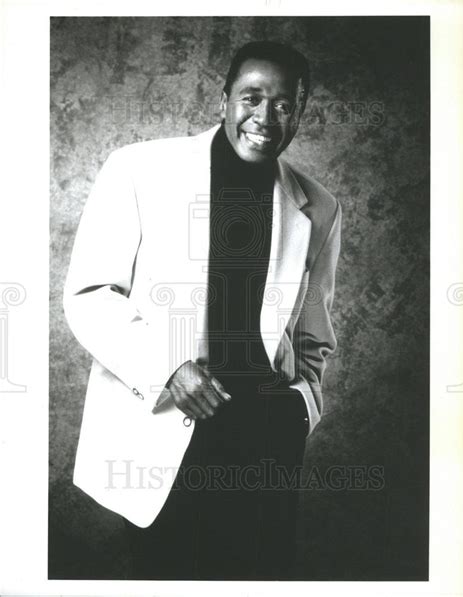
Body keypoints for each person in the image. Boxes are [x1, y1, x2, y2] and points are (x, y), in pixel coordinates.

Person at [63, 40, 342, 580]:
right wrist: (167, 367)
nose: (266, 117)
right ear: (223, 101)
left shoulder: (320, 207)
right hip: (170, 425)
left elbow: (315, 331)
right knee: (166, 575)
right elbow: (89, 294)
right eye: (252, 97)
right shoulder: (139, 169)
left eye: (285, 104)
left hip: (267, 439)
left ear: (300, 113)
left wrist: (299, 406)